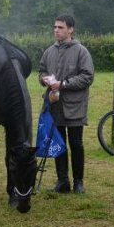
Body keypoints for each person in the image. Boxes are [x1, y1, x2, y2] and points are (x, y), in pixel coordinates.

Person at [38, 15, 94, 194]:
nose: (56, 30)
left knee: (76, 144)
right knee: (59, 144)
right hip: (54, 106)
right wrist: (44, 79)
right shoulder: (49, 52)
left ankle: (78, 183)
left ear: (71, 29)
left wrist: (63, 84)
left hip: (74, 107)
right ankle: (62, 182)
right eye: (55, 27)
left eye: (60, 27)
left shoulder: (81, 51)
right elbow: (41, 71)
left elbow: (87, 77)